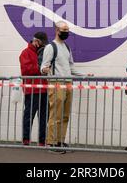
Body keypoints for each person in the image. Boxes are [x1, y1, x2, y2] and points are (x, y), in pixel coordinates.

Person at [40, 21, 93, 154]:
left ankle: (60, 141)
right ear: (57, 30)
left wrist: (84, 75)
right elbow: (43, 66)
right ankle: (52, 143)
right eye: (64, 30)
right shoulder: (50, 47)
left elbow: (70, 67)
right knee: (55, 114)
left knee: (65, 115)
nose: (67, 32)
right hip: (57, 83)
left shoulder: (67, 47)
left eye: (67, 30)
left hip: (68, 83)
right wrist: (44, 70)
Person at [19, 31, 49, 146]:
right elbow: (26, 70)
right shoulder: (25, 53)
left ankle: (42, 141)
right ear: (36, 41)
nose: (43, 45)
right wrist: (40, 67)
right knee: (29, 116)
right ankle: (26, 139)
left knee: (43, 117)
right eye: (41, 43)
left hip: (44, 89)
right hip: (32, 90)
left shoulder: (45, 52)